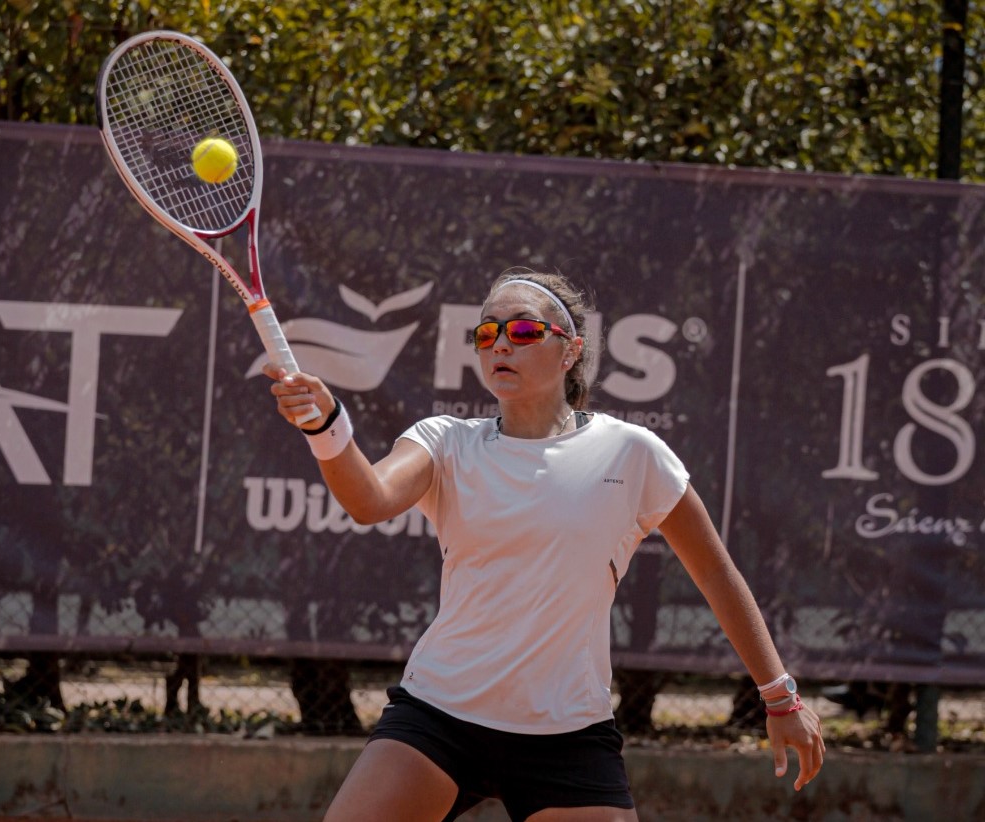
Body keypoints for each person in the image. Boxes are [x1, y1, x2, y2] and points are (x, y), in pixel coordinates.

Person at [264, 268, 825, 822]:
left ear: (570, 352)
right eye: (487, 334)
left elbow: (717, 574)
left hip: (567, 733)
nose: (501, 344)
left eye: (524, 332)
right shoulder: (445, 442)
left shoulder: (632, 454)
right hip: (438, 716)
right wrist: (327, 428)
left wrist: (780, 697)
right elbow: (369, 499)